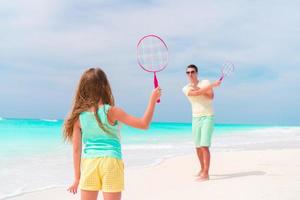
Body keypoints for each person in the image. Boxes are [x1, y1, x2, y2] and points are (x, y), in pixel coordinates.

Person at [63, 67, 161, 200]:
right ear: (105, 86)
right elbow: (143, 124)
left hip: (89, 163)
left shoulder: (78, 118)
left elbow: (76, 150)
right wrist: (152, 100)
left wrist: (77, 178)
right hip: (111, 162)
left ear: (83, 88)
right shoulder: (112, 112)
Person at [182, 64, 221, 181]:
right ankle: (202, 168)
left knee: (204, 145)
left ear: (196, 73)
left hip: (208, 116)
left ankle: (206, 173)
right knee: (197, 146)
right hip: (195, 118)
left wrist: (202, 89)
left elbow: (211, 96)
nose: (190, 74)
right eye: (188, 72)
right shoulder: (185, 88)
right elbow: (194, 94)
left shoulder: (205, 82)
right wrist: (212, 85)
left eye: (192, 72)